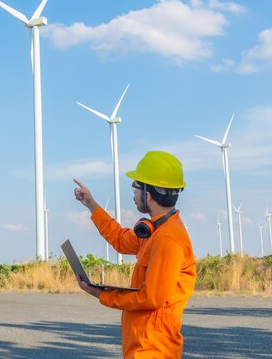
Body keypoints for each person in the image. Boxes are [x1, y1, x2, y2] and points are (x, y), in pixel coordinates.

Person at [73, 150, 196, 358]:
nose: (133, 194)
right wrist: (91, 205)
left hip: (153, 351)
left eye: (136, 187)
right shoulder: (154, 231)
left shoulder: (168, 240)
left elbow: (150, 298)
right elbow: (121, 240)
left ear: (148, 194)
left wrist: (101, 294)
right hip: (142, 347)